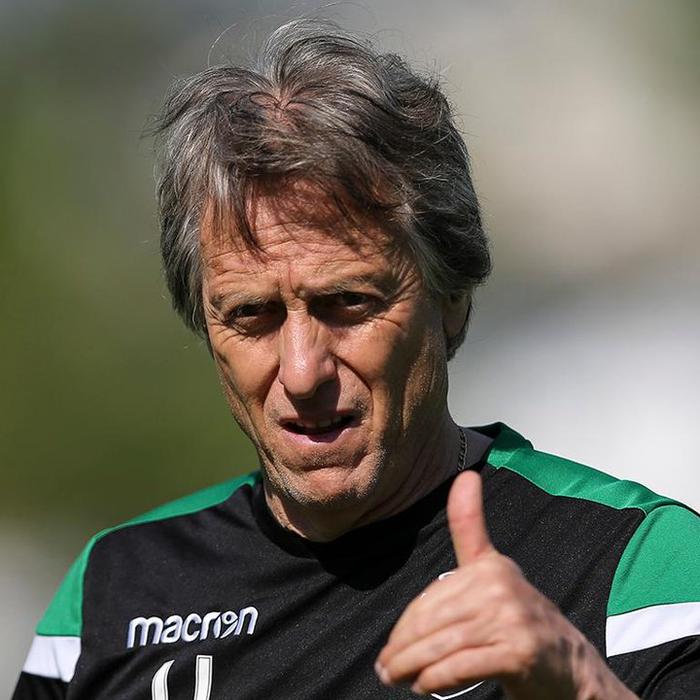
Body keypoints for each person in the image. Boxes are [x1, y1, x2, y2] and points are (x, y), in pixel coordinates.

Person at [13, 19, 700, 700]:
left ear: (450, 298)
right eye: (253, 314)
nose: (302, 371)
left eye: (347, 303)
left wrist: (580, 685)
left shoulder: (637, 567)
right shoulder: (109, 596)